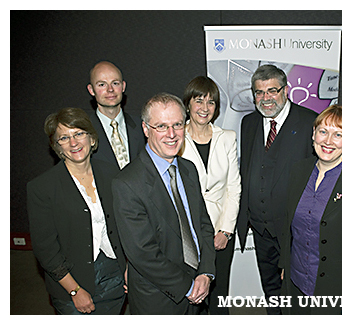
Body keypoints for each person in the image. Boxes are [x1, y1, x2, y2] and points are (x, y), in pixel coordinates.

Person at [112, 92, 216, 315]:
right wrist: (188, 287)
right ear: (146, 129)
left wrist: (206, 272)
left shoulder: (188, 169)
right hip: (159, 297)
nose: (171, 134)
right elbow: (142, 253)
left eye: (177, 124)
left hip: (199, 285)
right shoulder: (127, 183)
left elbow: (203, 225)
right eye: (161, 126)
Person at [279, 105, 342, 315]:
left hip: (334, 291)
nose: (328, 141)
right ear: (313, 134)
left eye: (338, 134)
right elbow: (288, 227)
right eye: (323, 131)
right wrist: (284, 266)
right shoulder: (298, 171)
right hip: (295, 283)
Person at [27, 107, 126, 314]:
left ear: (91, 138)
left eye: (79, 133)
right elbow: (46, 250)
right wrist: (74, 291)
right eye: (64, 138)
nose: (73, 143)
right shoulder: (42, 187)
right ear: (57, 146)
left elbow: (124, 227)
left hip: (115, 276)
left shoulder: (111, 173)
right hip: (72, 282)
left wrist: (128, 269)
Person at [236, 64, 318, 314]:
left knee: (296, 295)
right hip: (260, 231)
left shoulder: (310, 122)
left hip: (294, 231)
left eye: (272, 90)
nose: (265, 98)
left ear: (286, 90)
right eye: (259, 92)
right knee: (270, 289)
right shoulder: (249, 123)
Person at [180, 76, 241, 314]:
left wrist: (226, 230)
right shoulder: (175, 137)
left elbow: (234, 187)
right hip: (186, 232)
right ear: (188, 104)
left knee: (218, 295)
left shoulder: (227, 137)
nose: (205, 108)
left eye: (211, 102)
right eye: (199, 100)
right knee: (188, 295)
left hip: (220, 232)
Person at [87, 61, 145, 169]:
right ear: (91, 90)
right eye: (102, 85)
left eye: (115, 83)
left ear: (123, 86)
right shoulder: (84, 132)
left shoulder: (143, 127)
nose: (110, 89)